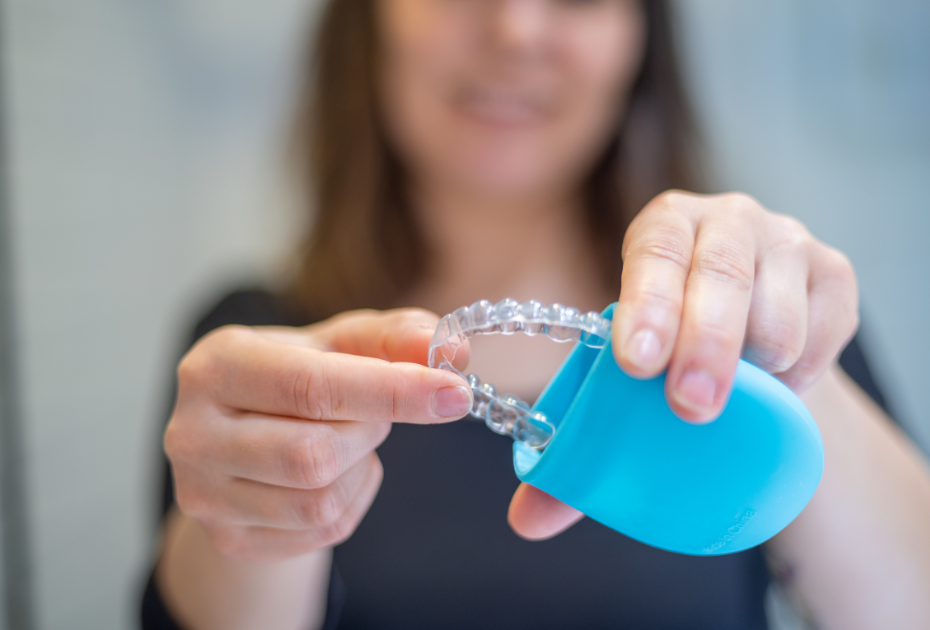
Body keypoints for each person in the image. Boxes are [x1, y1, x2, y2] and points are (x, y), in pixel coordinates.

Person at [141, 0, 930, 628]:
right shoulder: (258, 348)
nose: (517, 28)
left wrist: (783, 367)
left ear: (637, 42)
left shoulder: (763, 328)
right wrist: (252, 516)